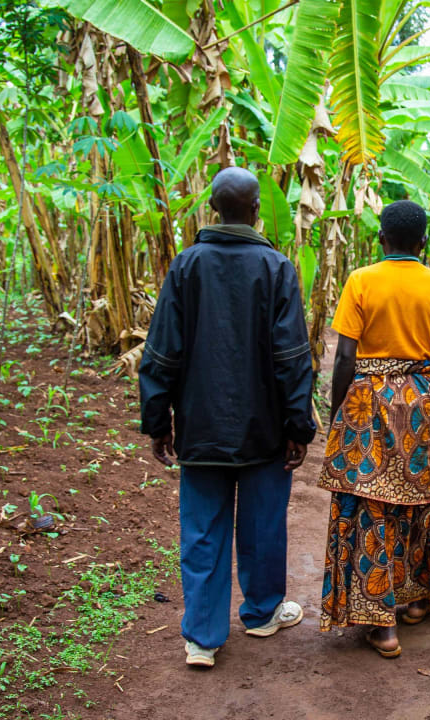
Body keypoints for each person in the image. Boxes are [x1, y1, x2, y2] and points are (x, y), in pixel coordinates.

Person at [139, 166, 316, 669]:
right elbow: (291, 357)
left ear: (212, 209)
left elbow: (162, 352)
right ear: (257, 209)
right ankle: (261, 615)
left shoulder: (186, 266)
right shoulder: (277, 268)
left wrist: (159, 420)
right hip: (265, 429)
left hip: (200, 426)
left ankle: (202, 638)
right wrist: (298, 425)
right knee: (263, 527)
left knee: (202, 530)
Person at [317, 199, 430, 658]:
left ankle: (383, 628)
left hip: (368, 403)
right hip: (422, 404)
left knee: (370, 503)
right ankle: (417, 600)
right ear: (424, 242)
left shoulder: (361, 280)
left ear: (381, 239)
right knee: (418, 499)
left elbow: (343, 357)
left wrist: (339, 410)